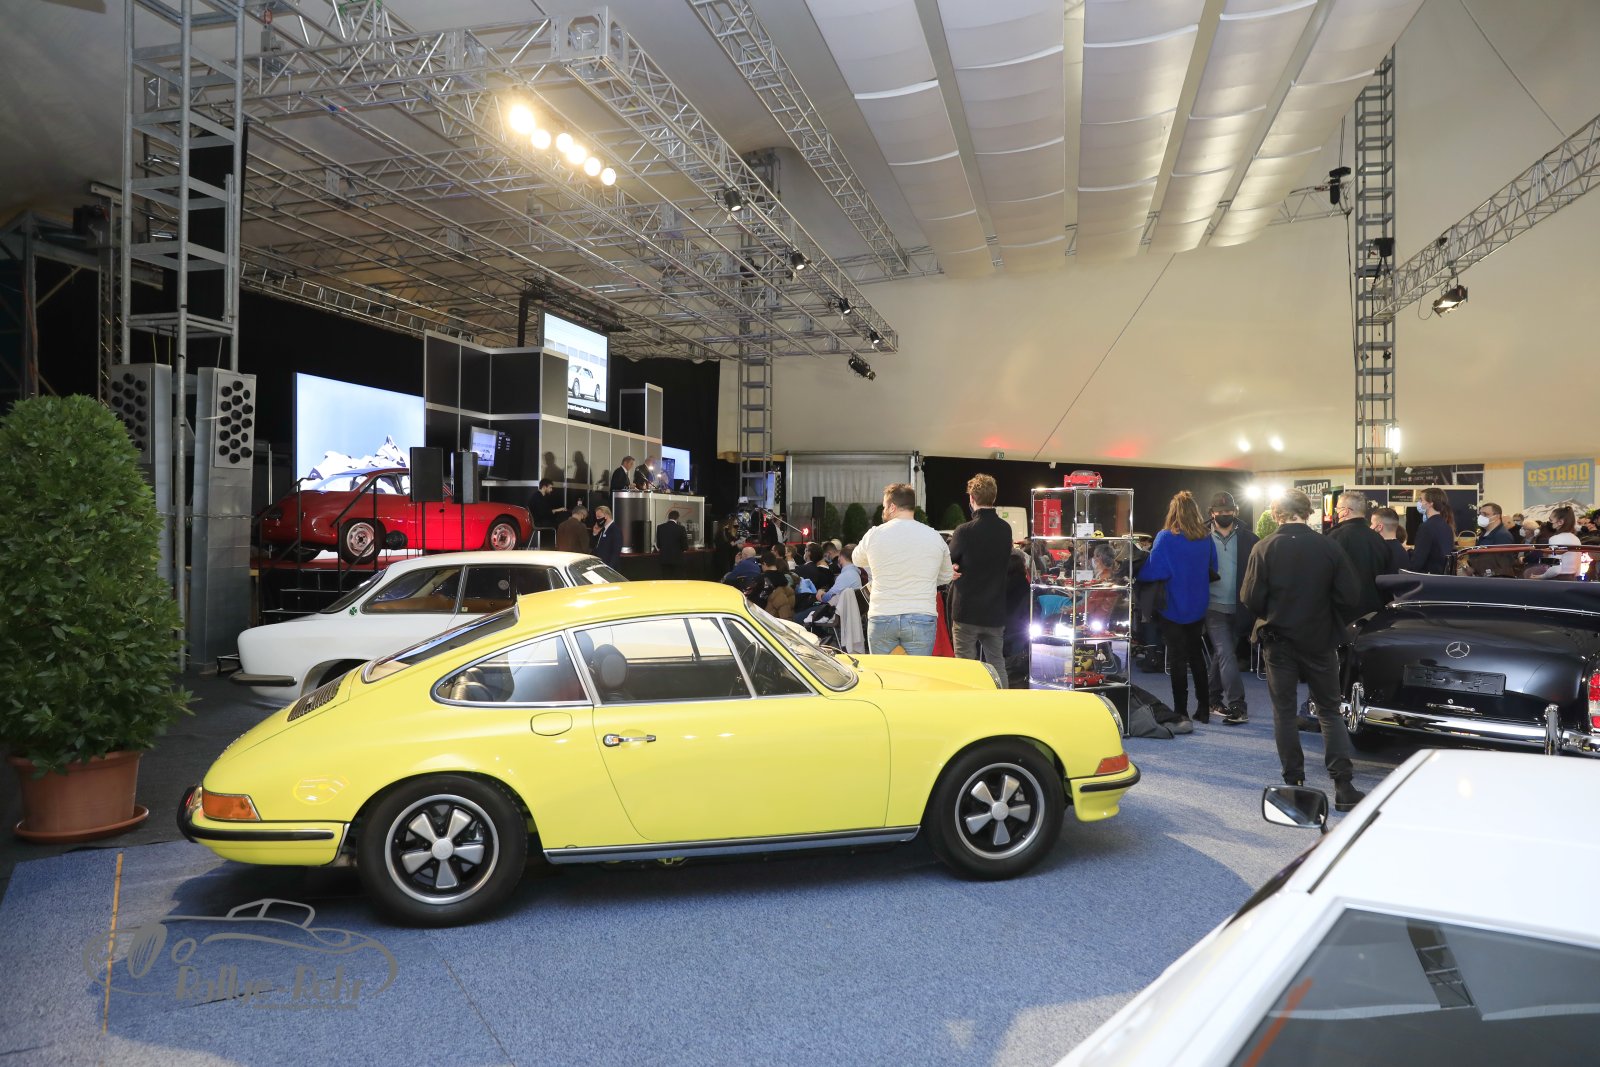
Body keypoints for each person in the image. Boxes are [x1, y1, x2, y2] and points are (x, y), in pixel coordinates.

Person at [1240, 489, 1366, 811]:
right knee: (1329, 710)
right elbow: (1350, 596)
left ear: (1276, 514)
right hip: (1320, 640)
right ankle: (1343, 786)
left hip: (1279, 640)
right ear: (1308, 512)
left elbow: (1250, 598)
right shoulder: (1329, 546)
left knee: (1284, 713)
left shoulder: (1264, 547)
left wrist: (1275, 610)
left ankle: (1294, 784)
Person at [1138, 491, 1218, 732]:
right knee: (1196, 656)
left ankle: (1181, 711)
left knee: (1177, 659)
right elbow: (1213, 568)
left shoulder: (1165, 537)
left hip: (1173, 605)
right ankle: (1204, 708)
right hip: (1198, 604)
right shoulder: (1206, 538)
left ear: (1173, 512)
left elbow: (1155, 571)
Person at [853, 483, 953, 656]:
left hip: (882, 613)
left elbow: (856, 559)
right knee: (917, 671)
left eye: (884, 506)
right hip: (921, 614)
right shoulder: (934, 536)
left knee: (882, 671)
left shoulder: (874, 534)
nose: (884, 510)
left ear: (892, 507)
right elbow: (946, 576)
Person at [947, 473, 1013, 683]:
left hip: (966, 610)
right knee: (997, 663)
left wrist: (955, 566)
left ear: (972, 498)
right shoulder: (1005, 529)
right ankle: (1001, 699)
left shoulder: (964, 531)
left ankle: (969, 701)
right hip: (995, 611)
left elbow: (949, 560)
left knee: (965, 666)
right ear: (994, 497)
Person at [1205, 491, 1259, 726]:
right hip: (1212, 606)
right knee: (1227, 653)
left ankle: (1212, 700)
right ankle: (1238, 705)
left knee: (1221, 654)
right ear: (1212, 513)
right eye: (1220, 511)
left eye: (1228, 511)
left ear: (1236, 511)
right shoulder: (1200, 537)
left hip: (1240, 607)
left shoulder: (1250, 539)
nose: (1224, 514)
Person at [1326, 490, 1395, 618]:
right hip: (1375, 611)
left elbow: (1327, 575)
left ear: (1345, 511)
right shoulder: (1378, 539)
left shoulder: (1336, 536)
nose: (1336, 512)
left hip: (1345, 612)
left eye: (1337, 509)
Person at [1407, 487, 1456, 575]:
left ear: (1430, 503)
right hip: (1441, 576)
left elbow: (1418, 561)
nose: (1419, 503)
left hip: (1428, 577)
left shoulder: (1426, 527)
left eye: (1421, 500)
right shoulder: (1447, 526)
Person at [1542, 505, 1585, 578]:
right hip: (1572, 579)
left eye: (1551, 520)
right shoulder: (1576, 539)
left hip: (1558, 579)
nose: (1549, 522)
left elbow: (1555, 569)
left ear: (1560, 522)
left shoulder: (1555, 539)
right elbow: (1578, 567)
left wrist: (1541, 576)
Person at [527, 479, 568, 547]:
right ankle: (561, 546)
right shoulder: (537, 497)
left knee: (562, 519)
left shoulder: (541, 496)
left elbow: (546, 511)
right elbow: (542, 513)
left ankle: (559, 546)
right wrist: (556, 510)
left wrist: (556, 511)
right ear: (544, 487)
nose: (551, 490)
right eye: (550, 487)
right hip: (539, 522)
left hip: (541, 520)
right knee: (562, 524)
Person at [655, 509, 687, 574]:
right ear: (677, 518)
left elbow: (658, 545)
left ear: (668, 517)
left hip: (664, 559)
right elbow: (685, 546)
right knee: (677, 578)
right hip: (677, 560)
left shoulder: (660, 527)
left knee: (666, 578)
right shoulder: (681, 528)